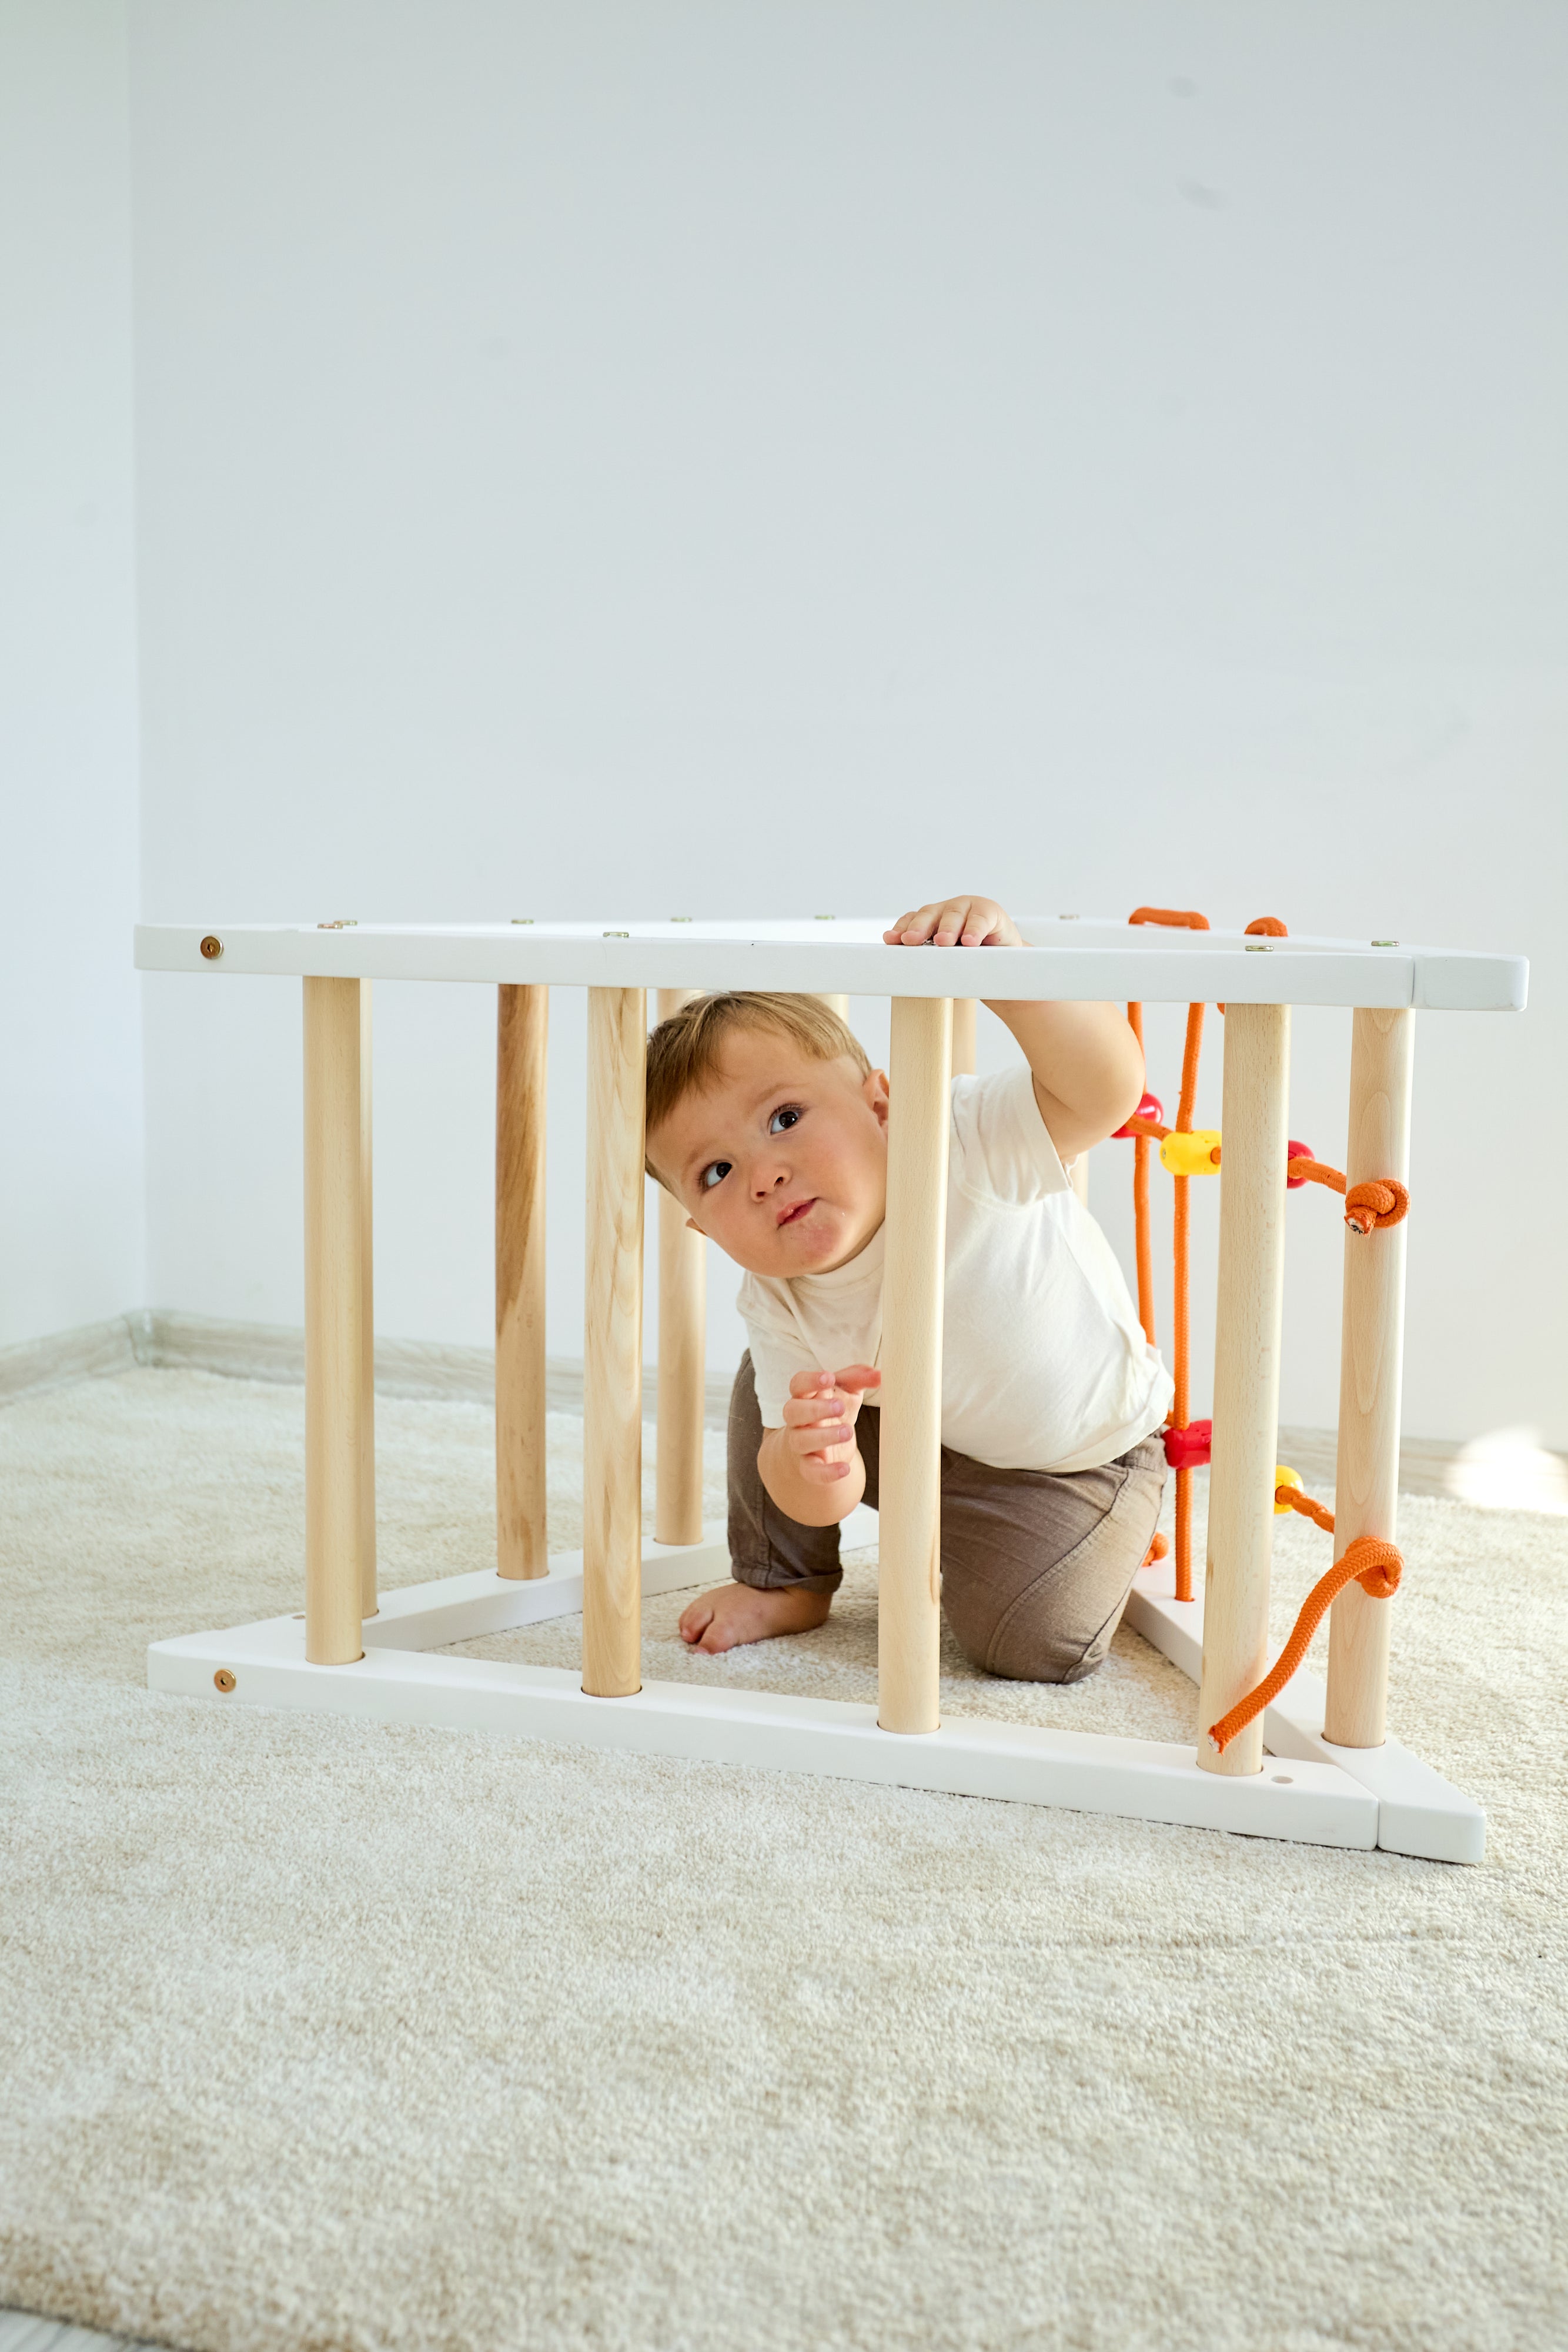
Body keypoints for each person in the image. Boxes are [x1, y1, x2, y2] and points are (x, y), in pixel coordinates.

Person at [643, 893, 1172, 1682]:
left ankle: (1073, 1538)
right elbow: (808, 1490)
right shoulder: (775, 1294)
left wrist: (1015, 979)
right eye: (715, 1173)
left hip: (1069, 1458)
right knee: (786, 1402)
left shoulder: (957, 1135)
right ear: (701, 1229)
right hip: (910, 1431)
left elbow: (1103, 1091)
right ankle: (785, 1583)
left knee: (1030, 1646)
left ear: (882, 1104)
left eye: (784, 1118)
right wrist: (818, 1463)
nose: (763, 1174)